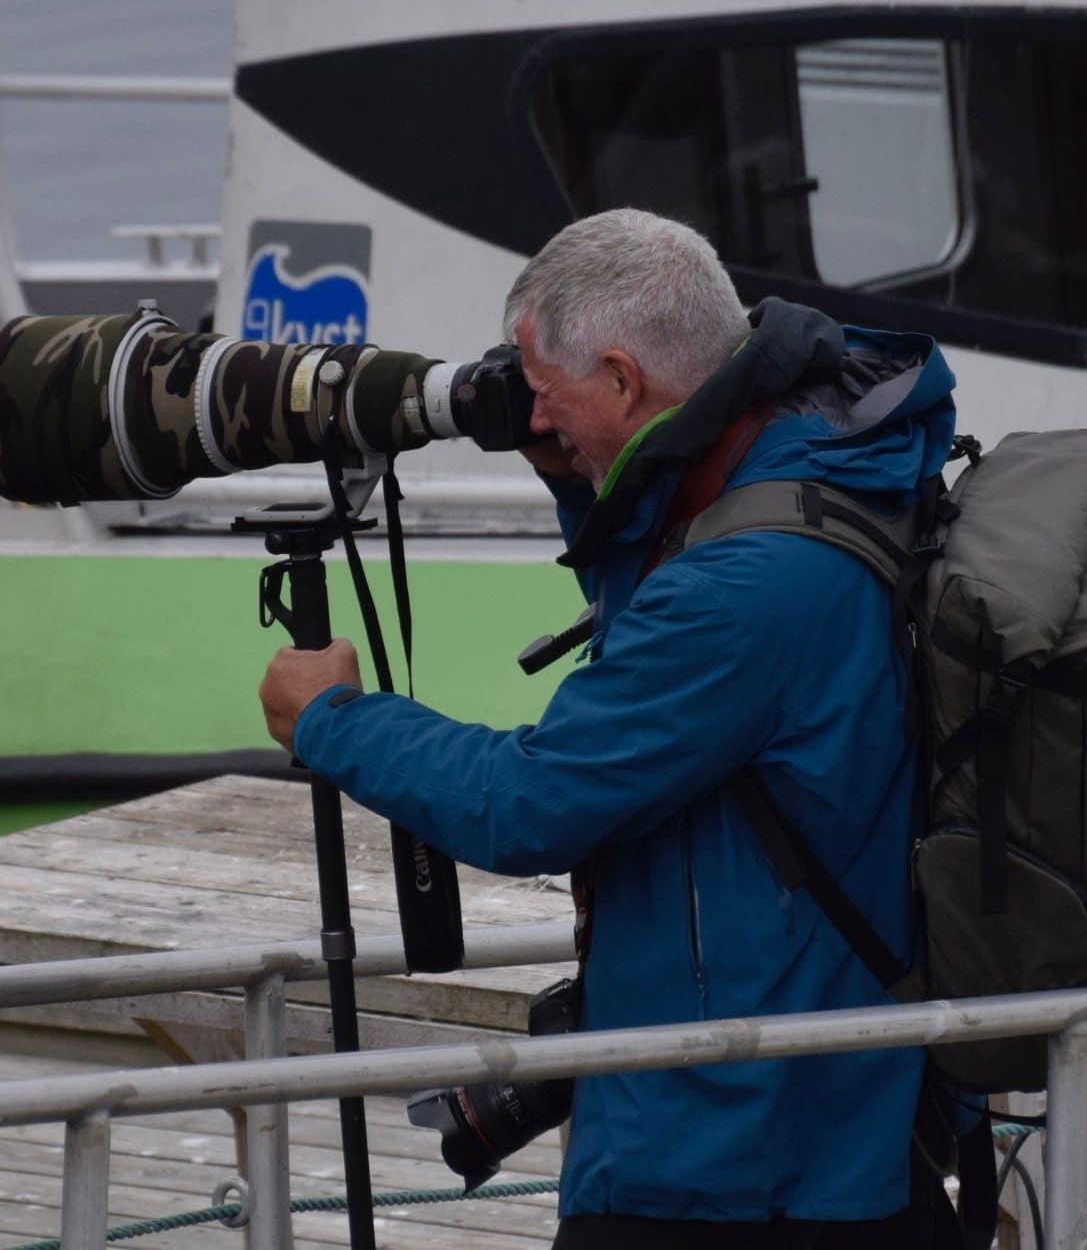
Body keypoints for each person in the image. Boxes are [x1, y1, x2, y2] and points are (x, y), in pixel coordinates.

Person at [259, 208, 957, 1249]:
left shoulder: (746, 585)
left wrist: (331, 720)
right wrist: (569, 470)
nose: (535, 419)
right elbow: (664, 618)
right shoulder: (804, 469)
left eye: (547, 396)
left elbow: (532, 803)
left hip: (733, 1160)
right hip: (829, 1120)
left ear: (624, 379)